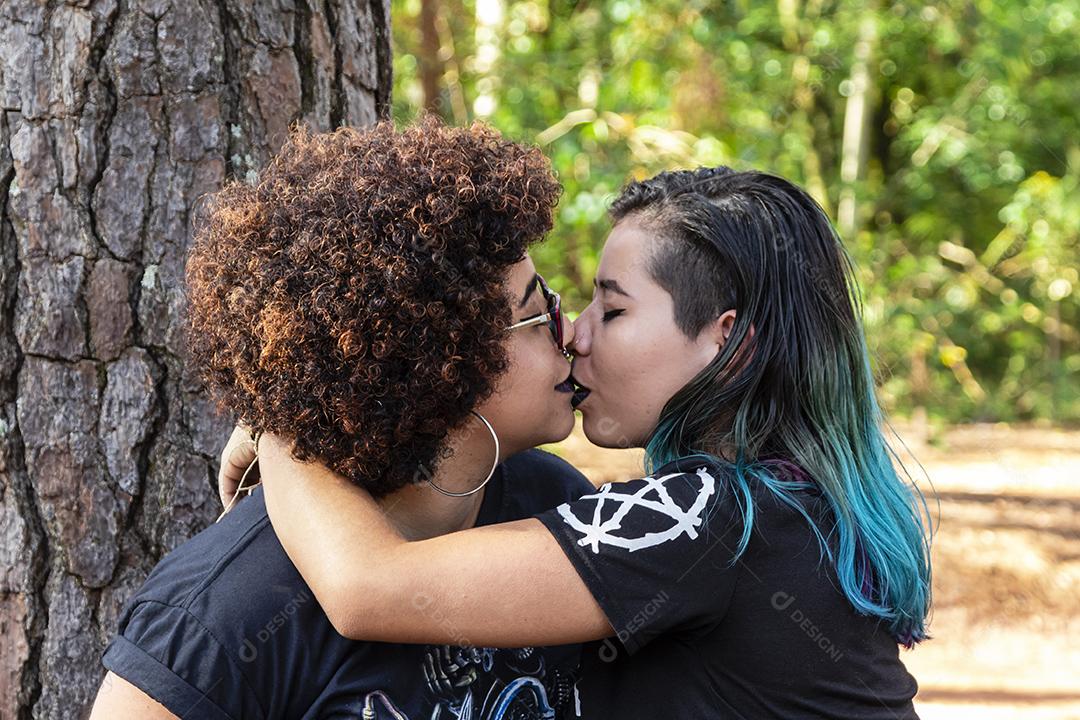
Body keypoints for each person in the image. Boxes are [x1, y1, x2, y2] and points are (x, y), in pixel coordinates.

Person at [250, 167, 934, 718]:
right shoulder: (789, 506)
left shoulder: (709, 519)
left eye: (612, 309)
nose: (576, 333)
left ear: (726, 342)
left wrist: (283, 419)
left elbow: (368, 587)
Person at [89, 119, 596, 719]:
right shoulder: (219, 617)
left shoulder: (554, 501)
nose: (570, 331)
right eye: (538, 313)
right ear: (442, 364)